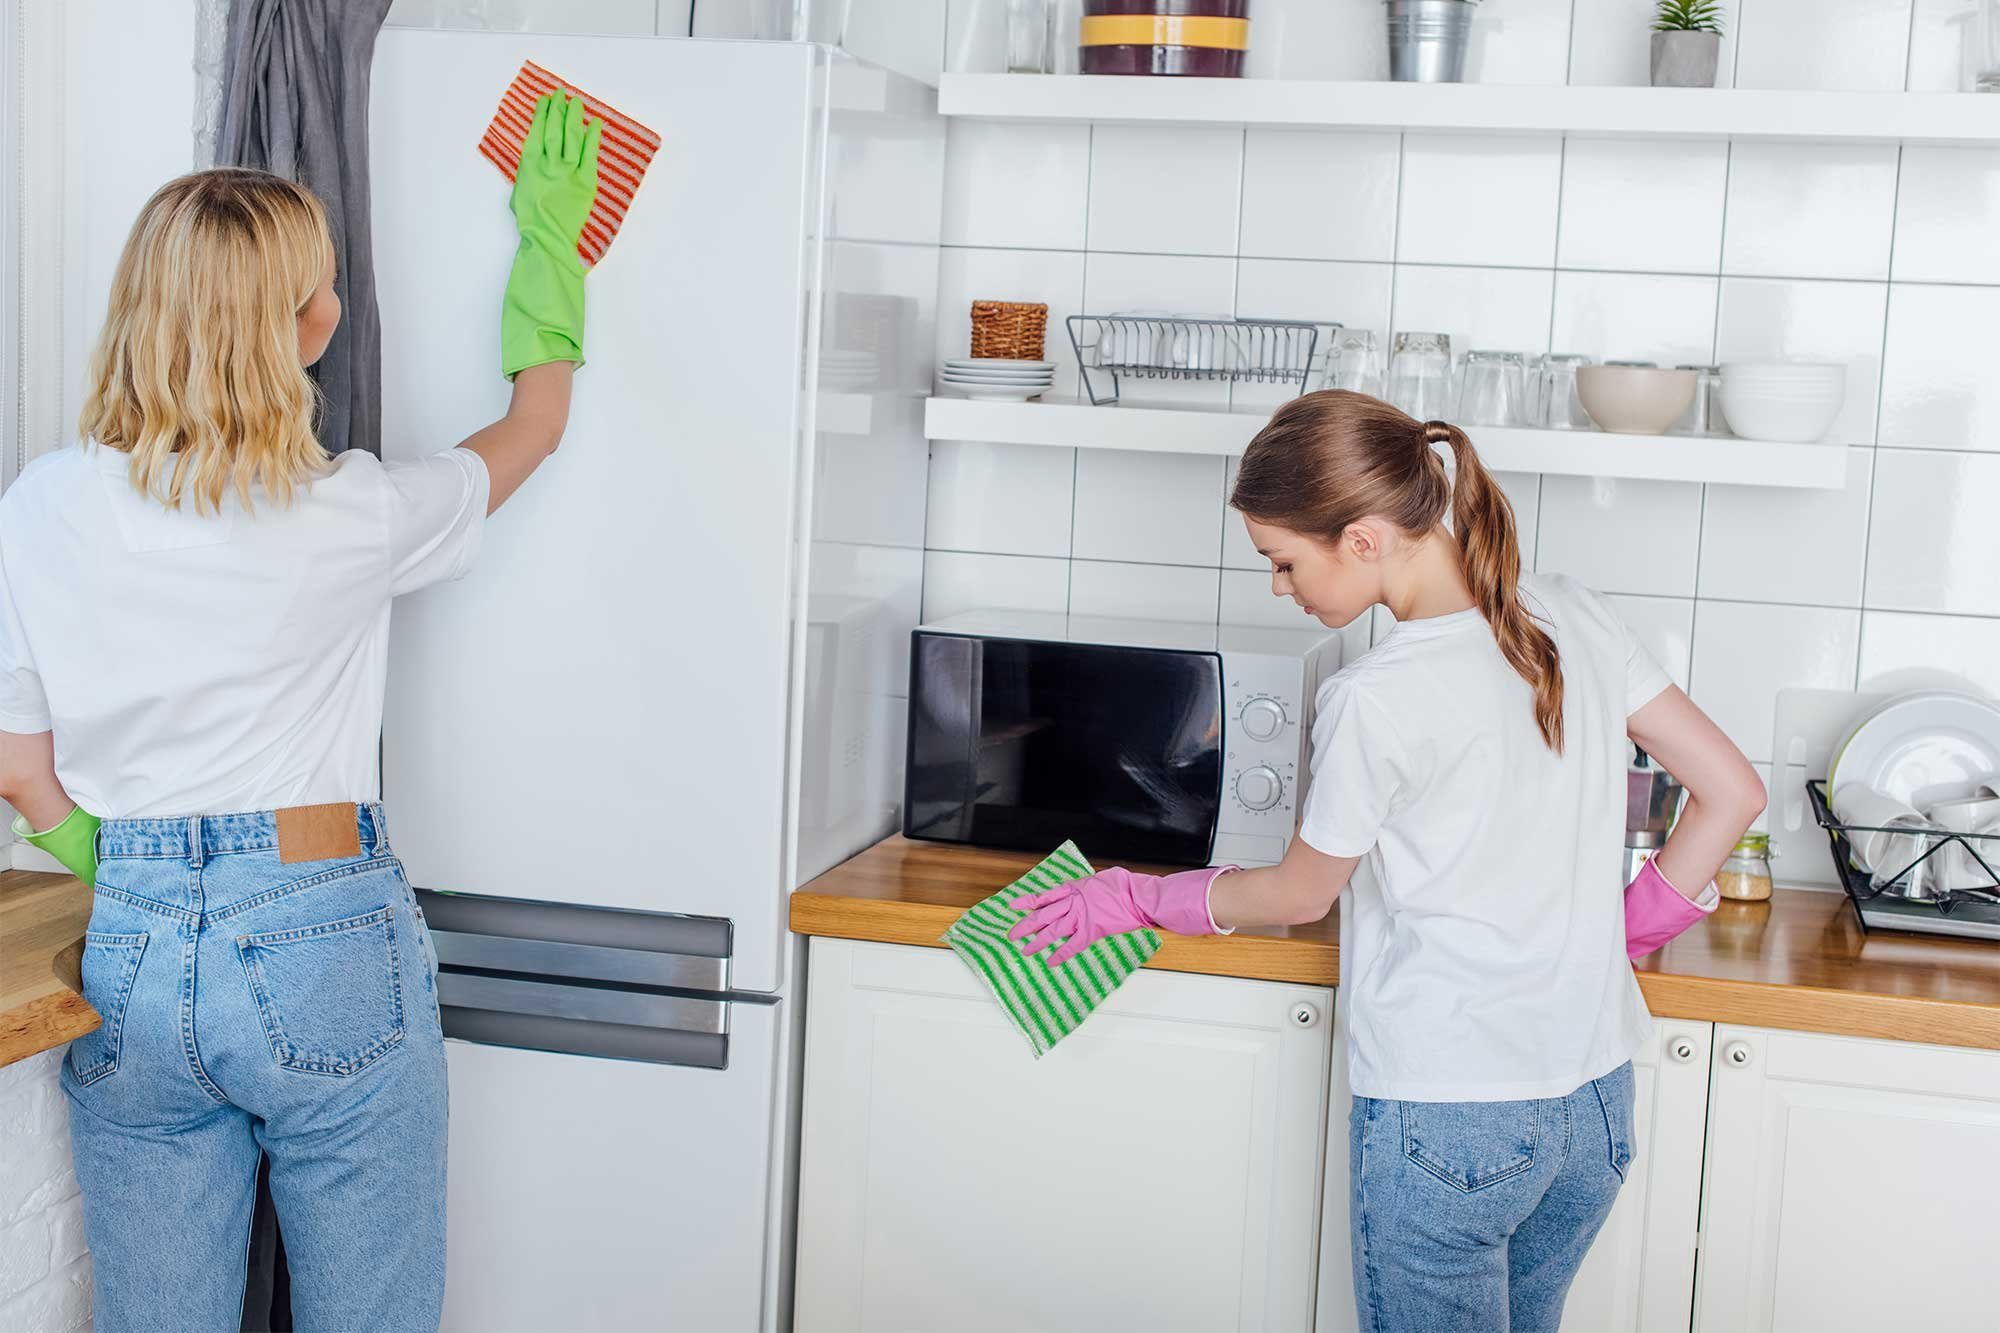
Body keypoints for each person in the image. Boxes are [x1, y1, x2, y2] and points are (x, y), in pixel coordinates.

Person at [0, 93, 602, 1331]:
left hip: (136, 942)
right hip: (322, 932)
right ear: (300, 326)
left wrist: (113, 863)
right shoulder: (348, 510)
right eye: (323, 287)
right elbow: (530, 430)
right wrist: (551, 256)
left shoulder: (43, 502)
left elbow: (19, 763)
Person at [1008, 391, 1764, 1332]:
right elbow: (1732, 792)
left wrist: (1138, 896)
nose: (1281, 587)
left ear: (1362, 539)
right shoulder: (1573, 613)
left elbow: (1297, 893)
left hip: (1452, 1117)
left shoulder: (1379, 695)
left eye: (1282, 562)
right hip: (1595, 1106)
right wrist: (1628, 928)